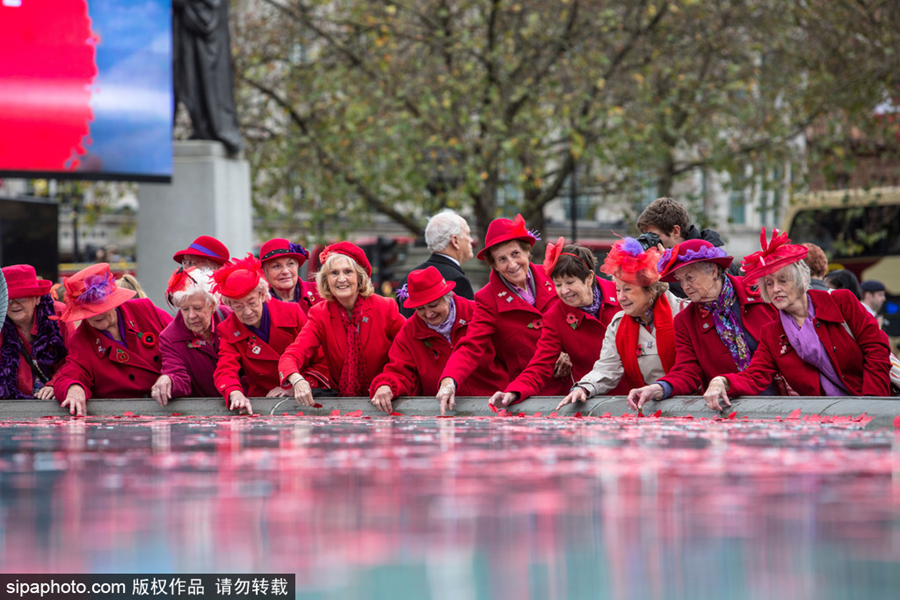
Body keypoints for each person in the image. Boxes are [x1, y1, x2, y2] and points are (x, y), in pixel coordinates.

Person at [703, 229, 892, 410]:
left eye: (783, 280)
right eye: (769, 283)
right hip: (824, 418)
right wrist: (722, 381)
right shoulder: (771, 334)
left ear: (802, 278)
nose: (775, 289)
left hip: (872, 405)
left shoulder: (841, 302)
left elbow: (877, 348)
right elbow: (754, 377)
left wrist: (871, 402)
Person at [435, 215, 571, 415]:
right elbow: (471, 346)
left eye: (515, 253)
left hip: (575, 389)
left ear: (527, 251)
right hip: (528, 398)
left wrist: (569, 352)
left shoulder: (554, 276)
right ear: (494, 265)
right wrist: (449, 380)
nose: (512, 264)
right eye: (502, 259)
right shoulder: (487, 299)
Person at [625, 239, 778, 412]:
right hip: (731, 407)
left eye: (690, 277)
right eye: (680, 280)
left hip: (786, 401)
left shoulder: (760, 293)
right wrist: (658, 388)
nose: (685, 286)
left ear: (713, 271)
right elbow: (687, 371)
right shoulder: (685, 320)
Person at [488, 238, 625, 409]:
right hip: (590, 401)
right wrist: (512, 392)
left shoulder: (620, 295)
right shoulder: (555, 317)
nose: (564, 291)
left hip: (634, 395)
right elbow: (539, 366)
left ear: (589, 278)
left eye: (570, 282)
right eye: (558, 284)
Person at [557, 238, 690, 410]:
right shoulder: (618, 325)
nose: (620, 297)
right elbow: (607, 368)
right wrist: (583, 387)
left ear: (650, 289)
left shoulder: (682, 313)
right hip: (647, 408)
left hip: (690, 405)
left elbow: (692, 369)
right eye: (618, 289)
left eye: (627, 289)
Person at [279, 242, 406, 406]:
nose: (341, 279)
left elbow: (407, 352)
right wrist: (297, 380)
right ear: (326, 280)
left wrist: (388, 382)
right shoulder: (320, 314)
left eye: (347, 272)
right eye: (334, 273)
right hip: (344, 405)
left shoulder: (384, 307)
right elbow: (292, 355)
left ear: (359, 277)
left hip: (387, 400)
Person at [369, 266, 507, 413]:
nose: (429, 314)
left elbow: (509, 355)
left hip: (495, 405)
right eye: (420, 309)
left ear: (448, 297)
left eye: (433, 305)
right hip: (442, 411)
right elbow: (400, 372)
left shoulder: (478, 314)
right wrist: (386, 385)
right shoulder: (409, 333)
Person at [212, 256, 329, 415]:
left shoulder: (293, 312)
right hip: (263, 403)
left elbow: (322, 360)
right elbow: (225, 369)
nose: (247, 312)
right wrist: (234, 392)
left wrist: (294, 385)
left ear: (262, 295)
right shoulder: (227, 328)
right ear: (229, 305)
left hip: (304, 398)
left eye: (252, 302)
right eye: (238, 306)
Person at [53, 264, 173, 416]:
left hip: (169, 406)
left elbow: (179, 342)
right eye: (87, 310)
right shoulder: (81, 339)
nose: (96, 315)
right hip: (123, 419)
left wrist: (170, 375)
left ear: (113, 301)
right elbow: (68, 376)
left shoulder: (144, 309)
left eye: (100, 306)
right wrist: (74, 388)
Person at [151, 267, 233, 404]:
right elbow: (178, 377)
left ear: (212, 305)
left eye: (197, 308)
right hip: (204, 408)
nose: (191, 316)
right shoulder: (170, 337)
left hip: (243, 401)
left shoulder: (230, 318)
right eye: (185, 309)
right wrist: (168, 380)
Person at [636, 197, 741, 297]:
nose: (651, 244)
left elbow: (694, 298)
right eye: (646, 237)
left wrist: (667, 267)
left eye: (655, 236)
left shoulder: (716, 260)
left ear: (675, 231)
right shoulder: (657, 263)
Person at [0, 265, 72, 399]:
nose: (14, 304)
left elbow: (76, 359)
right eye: (8, 299)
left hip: (59, 400)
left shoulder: (59, 315)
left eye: (21, 298)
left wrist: (57, 383)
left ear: (37, 298)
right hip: (12, 404)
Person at [397, 209, 476, 317]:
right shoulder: (457, 279)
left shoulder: (406, 279)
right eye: (468, 234)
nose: (471, 240)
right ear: (455, 241)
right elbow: (467, 322)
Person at [259, 238, 322, 315]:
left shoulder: (320, 292)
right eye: (276, 266)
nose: (285, 271)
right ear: (264, 272)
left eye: (290, 263)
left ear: (297, 266)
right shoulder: (259, 303)